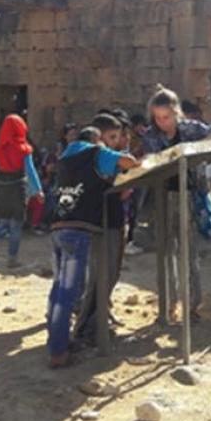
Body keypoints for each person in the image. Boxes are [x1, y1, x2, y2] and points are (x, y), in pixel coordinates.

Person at [47, 123, 140, 368]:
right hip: (79, 230)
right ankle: (58, 351)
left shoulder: (64, 158)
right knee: (69, 292)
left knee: (58, 287)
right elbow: (129, 162)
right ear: (97, 140)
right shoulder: (95, 152)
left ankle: (55, 340)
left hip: (58, 226)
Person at [141, 84, 211, 322]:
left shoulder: (190, 128)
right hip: (163, 196)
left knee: (190, 252)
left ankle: (192, 305)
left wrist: (191, 150)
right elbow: (151, 162)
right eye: (158, 118)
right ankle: (169, 304)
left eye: (166, 117)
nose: (162, 122)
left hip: (189, 193)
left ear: (176, 113)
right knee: (166, 252)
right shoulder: (150, 136)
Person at [73, 113, 134, 347]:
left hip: (110, 220)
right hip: (104, 222)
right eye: (112, 137)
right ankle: (89, 328)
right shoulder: (99, 155)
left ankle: (95, 322)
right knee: (101, 277)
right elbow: (127, 165)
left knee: (106, 275)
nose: (116, 142)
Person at [0, 112, 43, 268]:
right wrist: (38, 191)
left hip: (3, 187)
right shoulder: (24, 149)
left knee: (4, 220)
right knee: (16, 224)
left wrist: (2, 178)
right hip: (18, 187)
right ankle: (12, 258)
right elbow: (30, 171)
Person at [40, 123, 78, 231]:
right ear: (65, 136)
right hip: (59, 179)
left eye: (75, 134)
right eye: (71, 134)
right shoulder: (60, 149)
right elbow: (49, 168)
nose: (74, 137)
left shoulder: (80, 148)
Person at [124, 113, 149, 256]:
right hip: (132, 178)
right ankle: (128, 241)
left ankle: (131, 239)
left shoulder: (144, 138)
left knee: (136, 210)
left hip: (141, 178)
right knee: (131, 210)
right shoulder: (130, 140)